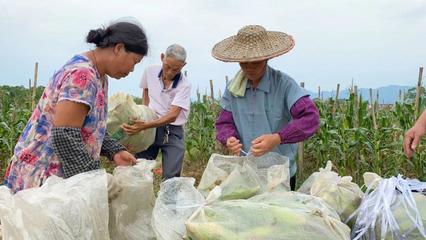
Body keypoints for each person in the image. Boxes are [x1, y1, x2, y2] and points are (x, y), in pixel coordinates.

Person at [4, 20, 148, 197]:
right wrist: (95, 178)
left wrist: (114, 150)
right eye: (134, 61)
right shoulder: (83, 74)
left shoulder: (100, 76)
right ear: (118, 48)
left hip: (58, 177)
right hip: (43, 180)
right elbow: (65, 135)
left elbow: (87, 128)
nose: (132, 69)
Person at [213, 25, 320, 190]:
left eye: (255, 62)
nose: (249, 68)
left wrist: (278, 138)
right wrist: (229, 138)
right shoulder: (233, 88)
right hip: (246, 171)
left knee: (279, 215)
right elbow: (224, 122)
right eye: (244, 62)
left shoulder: (284, 85)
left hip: (279, 174)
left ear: (266, 58)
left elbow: (310, 118)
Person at [122, 44, 190, 180]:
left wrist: (145, 125)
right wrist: (144, 111)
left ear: (183, 65)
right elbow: (146, 90)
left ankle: (168, 200)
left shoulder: (184, 85)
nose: (170, 72)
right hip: (150, 124)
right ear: (162, 58)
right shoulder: (150, 71)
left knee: (172, 176)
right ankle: (140, 199)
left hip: (172, 131)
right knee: (139, 167)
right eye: (167, 66)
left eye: (175, 69)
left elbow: (172, 116)